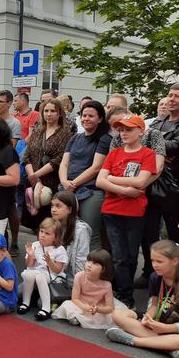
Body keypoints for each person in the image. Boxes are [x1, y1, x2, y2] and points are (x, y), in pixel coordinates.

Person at [107, 240, 179, 358]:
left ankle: (134, 340)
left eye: (159, 261)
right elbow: (154, 305)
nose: (155, 265)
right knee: (117, 314)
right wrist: (148, 317)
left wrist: (166, 328)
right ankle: (170, 348)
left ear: (175, 261)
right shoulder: (155, 277)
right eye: (152, 261)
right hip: (159, 322)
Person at [96, 114, 156, 308]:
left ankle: (125, 291)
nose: (123, 133)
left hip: (135, 212)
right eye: (121, 130)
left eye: (128, 129)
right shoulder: (114, 153)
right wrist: (125, 190)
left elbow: (141, 181)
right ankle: (124, 295)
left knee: (130, 256)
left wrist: (112, 179)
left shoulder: (147, 154)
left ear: (141, 131)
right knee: (119, 256)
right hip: (111, 211)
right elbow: (99, 181)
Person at [140, 83, 179, 285]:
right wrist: (157, 143)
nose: (171, 99)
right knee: (148, 233)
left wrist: (152, 143)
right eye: (170, 95)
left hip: (173, 188)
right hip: (150, 183)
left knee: (175, 237)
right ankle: (149, 273)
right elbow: (142, 141)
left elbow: (175, 146)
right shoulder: (158, 121)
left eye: (177, 96)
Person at [58, 100, 111, 250]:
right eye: (84, 115)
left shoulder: (104, 139)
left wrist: (72, 183)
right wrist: (64, 182)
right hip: (68, 189)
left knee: (90, 234)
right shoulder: (75, 138)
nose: (86, 118)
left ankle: (95, 271)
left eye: (91, 116)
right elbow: (64, 164)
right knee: (65, 232)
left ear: (100, 119)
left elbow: (96, 167)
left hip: (91, 191)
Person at [22, 98, 73, 227]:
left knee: (48, 223)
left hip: (50, 184)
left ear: (59, 113)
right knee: (33, 222)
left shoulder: (65, 133)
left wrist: (36, 175)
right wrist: (32, 176)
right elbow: (26, 155)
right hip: (32, 182)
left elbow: (58, 160)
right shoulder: (38, 131)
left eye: (52, 111)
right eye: (46, 111)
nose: (49, 114)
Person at [53, 249, 119, 329]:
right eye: (88, 261)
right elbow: (75, 298)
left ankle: (79, 318)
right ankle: (78, 317)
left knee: (114, 315)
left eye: (95, 263)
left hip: (97, 305)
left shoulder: (107, 285)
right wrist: (84, 307)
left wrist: (98, 309)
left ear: (104, 268)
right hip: (80, 303)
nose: (89, 265)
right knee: (67, 305)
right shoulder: (79, 276)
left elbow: (110, 308)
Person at [19, 218, 68, 320]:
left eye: (47, 233)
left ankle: (46, 308)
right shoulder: (35, 245)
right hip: (37, 272)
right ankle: (25, 302)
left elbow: (58, 270)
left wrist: (50, 262)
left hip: (52, 276)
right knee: (28, 274)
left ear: (56, 237)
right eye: (41, 231)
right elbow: (29, 265)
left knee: (40, 277)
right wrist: (31, 256)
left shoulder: (59, 249)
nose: (43, 235)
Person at [50, 191, 91, 282]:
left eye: (58, 206)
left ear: (70, 209)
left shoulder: (81, 230)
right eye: (52, 206)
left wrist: (77, 286)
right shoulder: (52, 226)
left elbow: (81, 261)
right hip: (50, 274)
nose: (53, 209)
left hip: (70, 281)